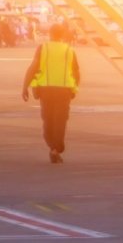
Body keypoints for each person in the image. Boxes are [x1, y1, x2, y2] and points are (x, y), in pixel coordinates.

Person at [22, 23, 81, 163]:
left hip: (46, 89)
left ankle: (52, 146)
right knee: (60, 121)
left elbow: (33, 66)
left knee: (48, 120)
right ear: (63, 35)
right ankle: (56, 148)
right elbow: (76, 72)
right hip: (63, 90)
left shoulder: (43, 48)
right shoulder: (69, 50)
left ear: (50, 33)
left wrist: (25, 86)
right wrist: (75, 88)